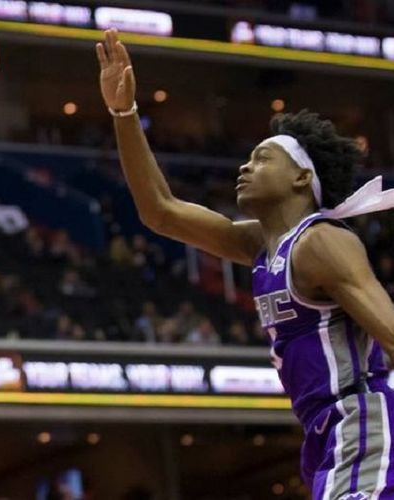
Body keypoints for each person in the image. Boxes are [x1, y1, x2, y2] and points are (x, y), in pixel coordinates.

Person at [98, 28, 394, 498]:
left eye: (261, 159)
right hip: (324, 431)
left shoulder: (320, 243)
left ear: (301, 177)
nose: (244, 167)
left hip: (363, 420)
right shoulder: (261, 245)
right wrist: (124, 112)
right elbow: (160, 210)